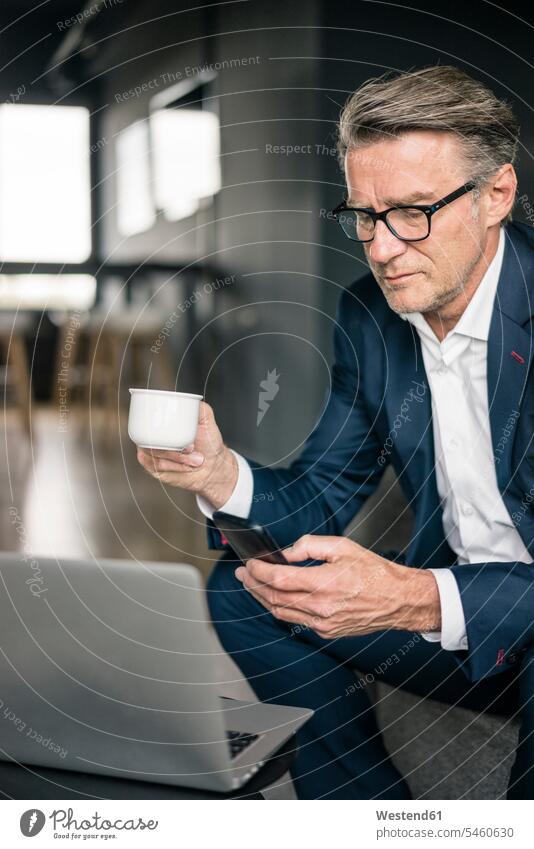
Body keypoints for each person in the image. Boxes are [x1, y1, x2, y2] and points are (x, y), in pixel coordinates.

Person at [137, 66, 534, 799]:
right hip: (457, 627)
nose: (381, 248)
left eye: (413, 212)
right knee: (247, 589)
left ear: (496, 196)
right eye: (363, 215)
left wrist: (416, 596)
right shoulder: (371, 316)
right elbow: (322, 492)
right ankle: (367, 818)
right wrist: (218, 473)